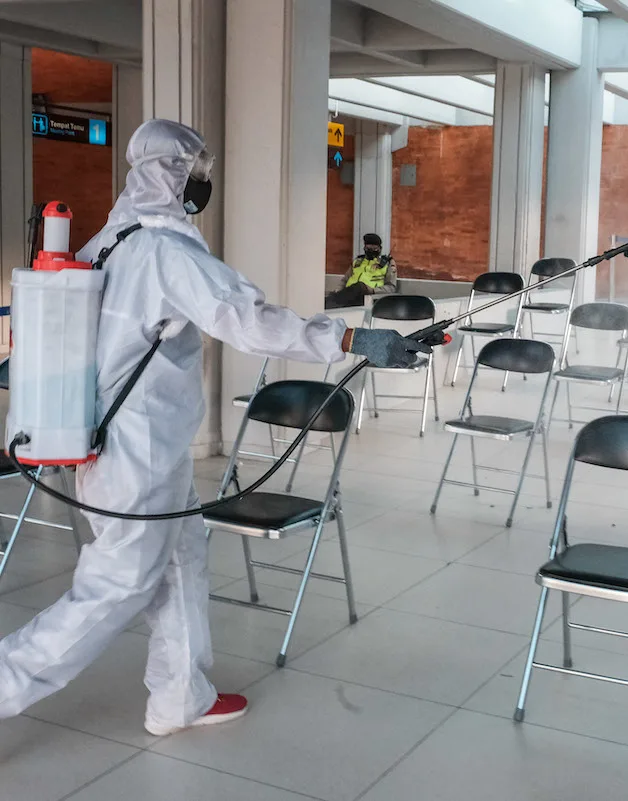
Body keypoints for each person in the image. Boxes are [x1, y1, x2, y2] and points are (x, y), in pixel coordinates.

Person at [0, 119, 429, 736]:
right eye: (197, 172)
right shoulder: (167, 252)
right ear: (174, 176)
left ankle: (181, 696)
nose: (204, 184)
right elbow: (246, 319)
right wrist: (351, 337)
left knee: (181, 559)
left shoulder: (107, 240)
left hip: (125, 442)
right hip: (134, 448)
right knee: (115, 586)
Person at [324, 233, 397, 309]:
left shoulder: (386, 264)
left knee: (360, 286)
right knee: (332, 296)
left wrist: (373, 290)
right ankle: (327, 303)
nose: (371, 251)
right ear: (364, 248)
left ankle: (330, 303)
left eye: (374, 248)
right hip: (348, 294)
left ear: (380, 249)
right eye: (368, 248)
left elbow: (391, 288)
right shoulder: (357, 261)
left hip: (368, 297)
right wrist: (337, 290)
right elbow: (344, 280)